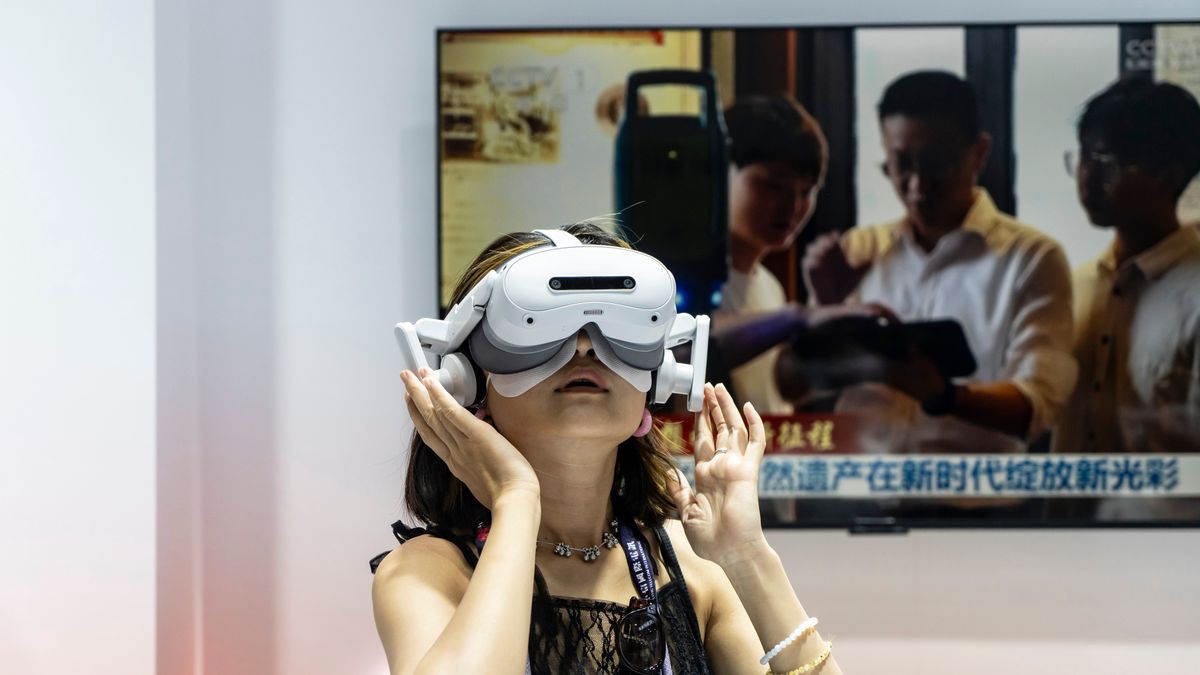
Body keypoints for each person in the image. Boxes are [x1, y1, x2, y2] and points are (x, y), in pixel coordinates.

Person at [373, 223, 843, 674]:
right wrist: (515, 497)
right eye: (538, 326)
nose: (584, 346)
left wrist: (745, 556)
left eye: (618, 326)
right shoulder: (426, 573)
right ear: (466, 381)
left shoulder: (691, 567)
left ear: (659, 378)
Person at [798, 70, 1077, 460]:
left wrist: (943, 396)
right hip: (857, 489)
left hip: (971, 494)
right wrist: (824, 310)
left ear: (978, 152)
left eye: (936, 164)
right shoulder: (859, 251)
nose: (917, 186)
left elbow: (1037, 406)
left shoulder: (1031, 260)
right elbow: (799, 390)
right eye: (901, 164)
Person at [1051, 79, 1200, 520]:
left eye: (1108, 163)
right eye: (1083, 158)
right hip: (1058, 542)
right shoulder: (1071, 286)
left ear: (1168, 173)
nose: (1088, 178)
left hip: (1165, 546)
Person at [713, 95, 888, 416]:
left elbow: (781, 388)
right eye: (773, 185)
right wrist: (799, 316)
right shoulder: (680, 278)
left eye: (807, 191)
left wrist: (824, 308)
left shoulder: (768, 285)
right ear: (720, 172)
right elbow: (690, 348)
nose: (793, 206)